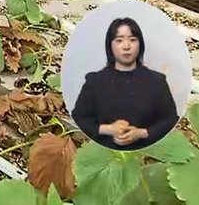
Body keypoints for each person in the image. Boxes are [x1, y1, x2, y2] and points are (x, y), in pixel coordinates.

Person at [71, 17, 179, 151]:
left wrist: (141, 133)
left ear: (140, 44)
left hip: (146, 154)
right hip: (102, 152)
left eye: (132, 40)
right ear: (110, 45)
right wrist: (109, 129)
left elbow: (170, 119)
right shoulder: (95, 81)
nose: (126, 46)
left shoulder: (156, 81)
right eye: (119, 40)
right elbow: (80, 117)